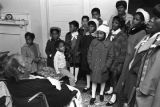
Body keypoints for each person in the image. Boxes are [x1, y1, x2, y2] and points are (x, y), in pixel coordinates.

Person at [2, 54, 80, 107]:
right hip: (56, 98)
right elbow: (62, 99)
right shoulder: (39, 84)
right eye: (26, 61)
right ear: (20, 69)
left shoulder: (9, 83)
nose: (30, 61)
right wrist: (63, 85)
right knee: (76, 92)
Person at [109, 9, 150, 107]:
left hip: (131, 59)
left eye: (137, 19)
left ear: (142, 22)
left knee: (127, 81)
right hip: (126, 57)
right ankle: (118, 99)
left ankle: (124, 101)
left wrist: (132, 60)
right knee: (121, 79)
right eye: (134, 19)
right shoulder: (132, 30)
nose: (134, 21)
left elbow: (138, 49)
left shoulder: (142, 32)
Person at [135, 4, 160, 107]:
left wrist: (142, 92)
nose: (151, 20)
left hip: (149, 94)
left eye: (157, 17)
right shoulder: (153, 39)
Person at [88, 23, 114, 105]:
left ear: (105, 34)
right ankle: (93, 96)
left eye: (101, 33)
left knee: (103, 80)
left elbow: (111, 56)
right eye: (98, 33)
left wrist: (107, 66)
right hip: (94, 66)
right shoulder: (93, 41)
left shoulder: (109, 44)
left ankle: (102, 93)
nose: (99, 35)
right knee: (94, 81)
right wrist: (90, 63)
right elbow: (89, 53)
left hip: (103, 66)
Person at [105, 16, 128, 103]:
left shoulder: (123, 35)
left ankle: (114, 95)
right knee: (110, 75)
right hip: (110, 59)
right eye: (113, 22)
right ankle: (111, 89)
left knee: (115, 77)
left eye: (116, 23)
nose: (113, 24)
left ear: (120, 25)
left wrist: (120, 62)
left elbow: (123, 51)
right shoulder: (110, 32)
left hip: (117, 61)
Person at [79, 19, 99, 92]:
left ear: (96, 27)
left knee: (93, 71)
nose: (90, 28)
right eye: (89, 26)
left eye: (92, 26)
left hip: (93, 57)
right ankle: (88, 85)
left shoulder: (97, 36)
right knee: (87, 71)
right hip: (86, 56)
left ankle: (94, 87)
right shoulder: (85, 36)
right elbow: (82, 45)